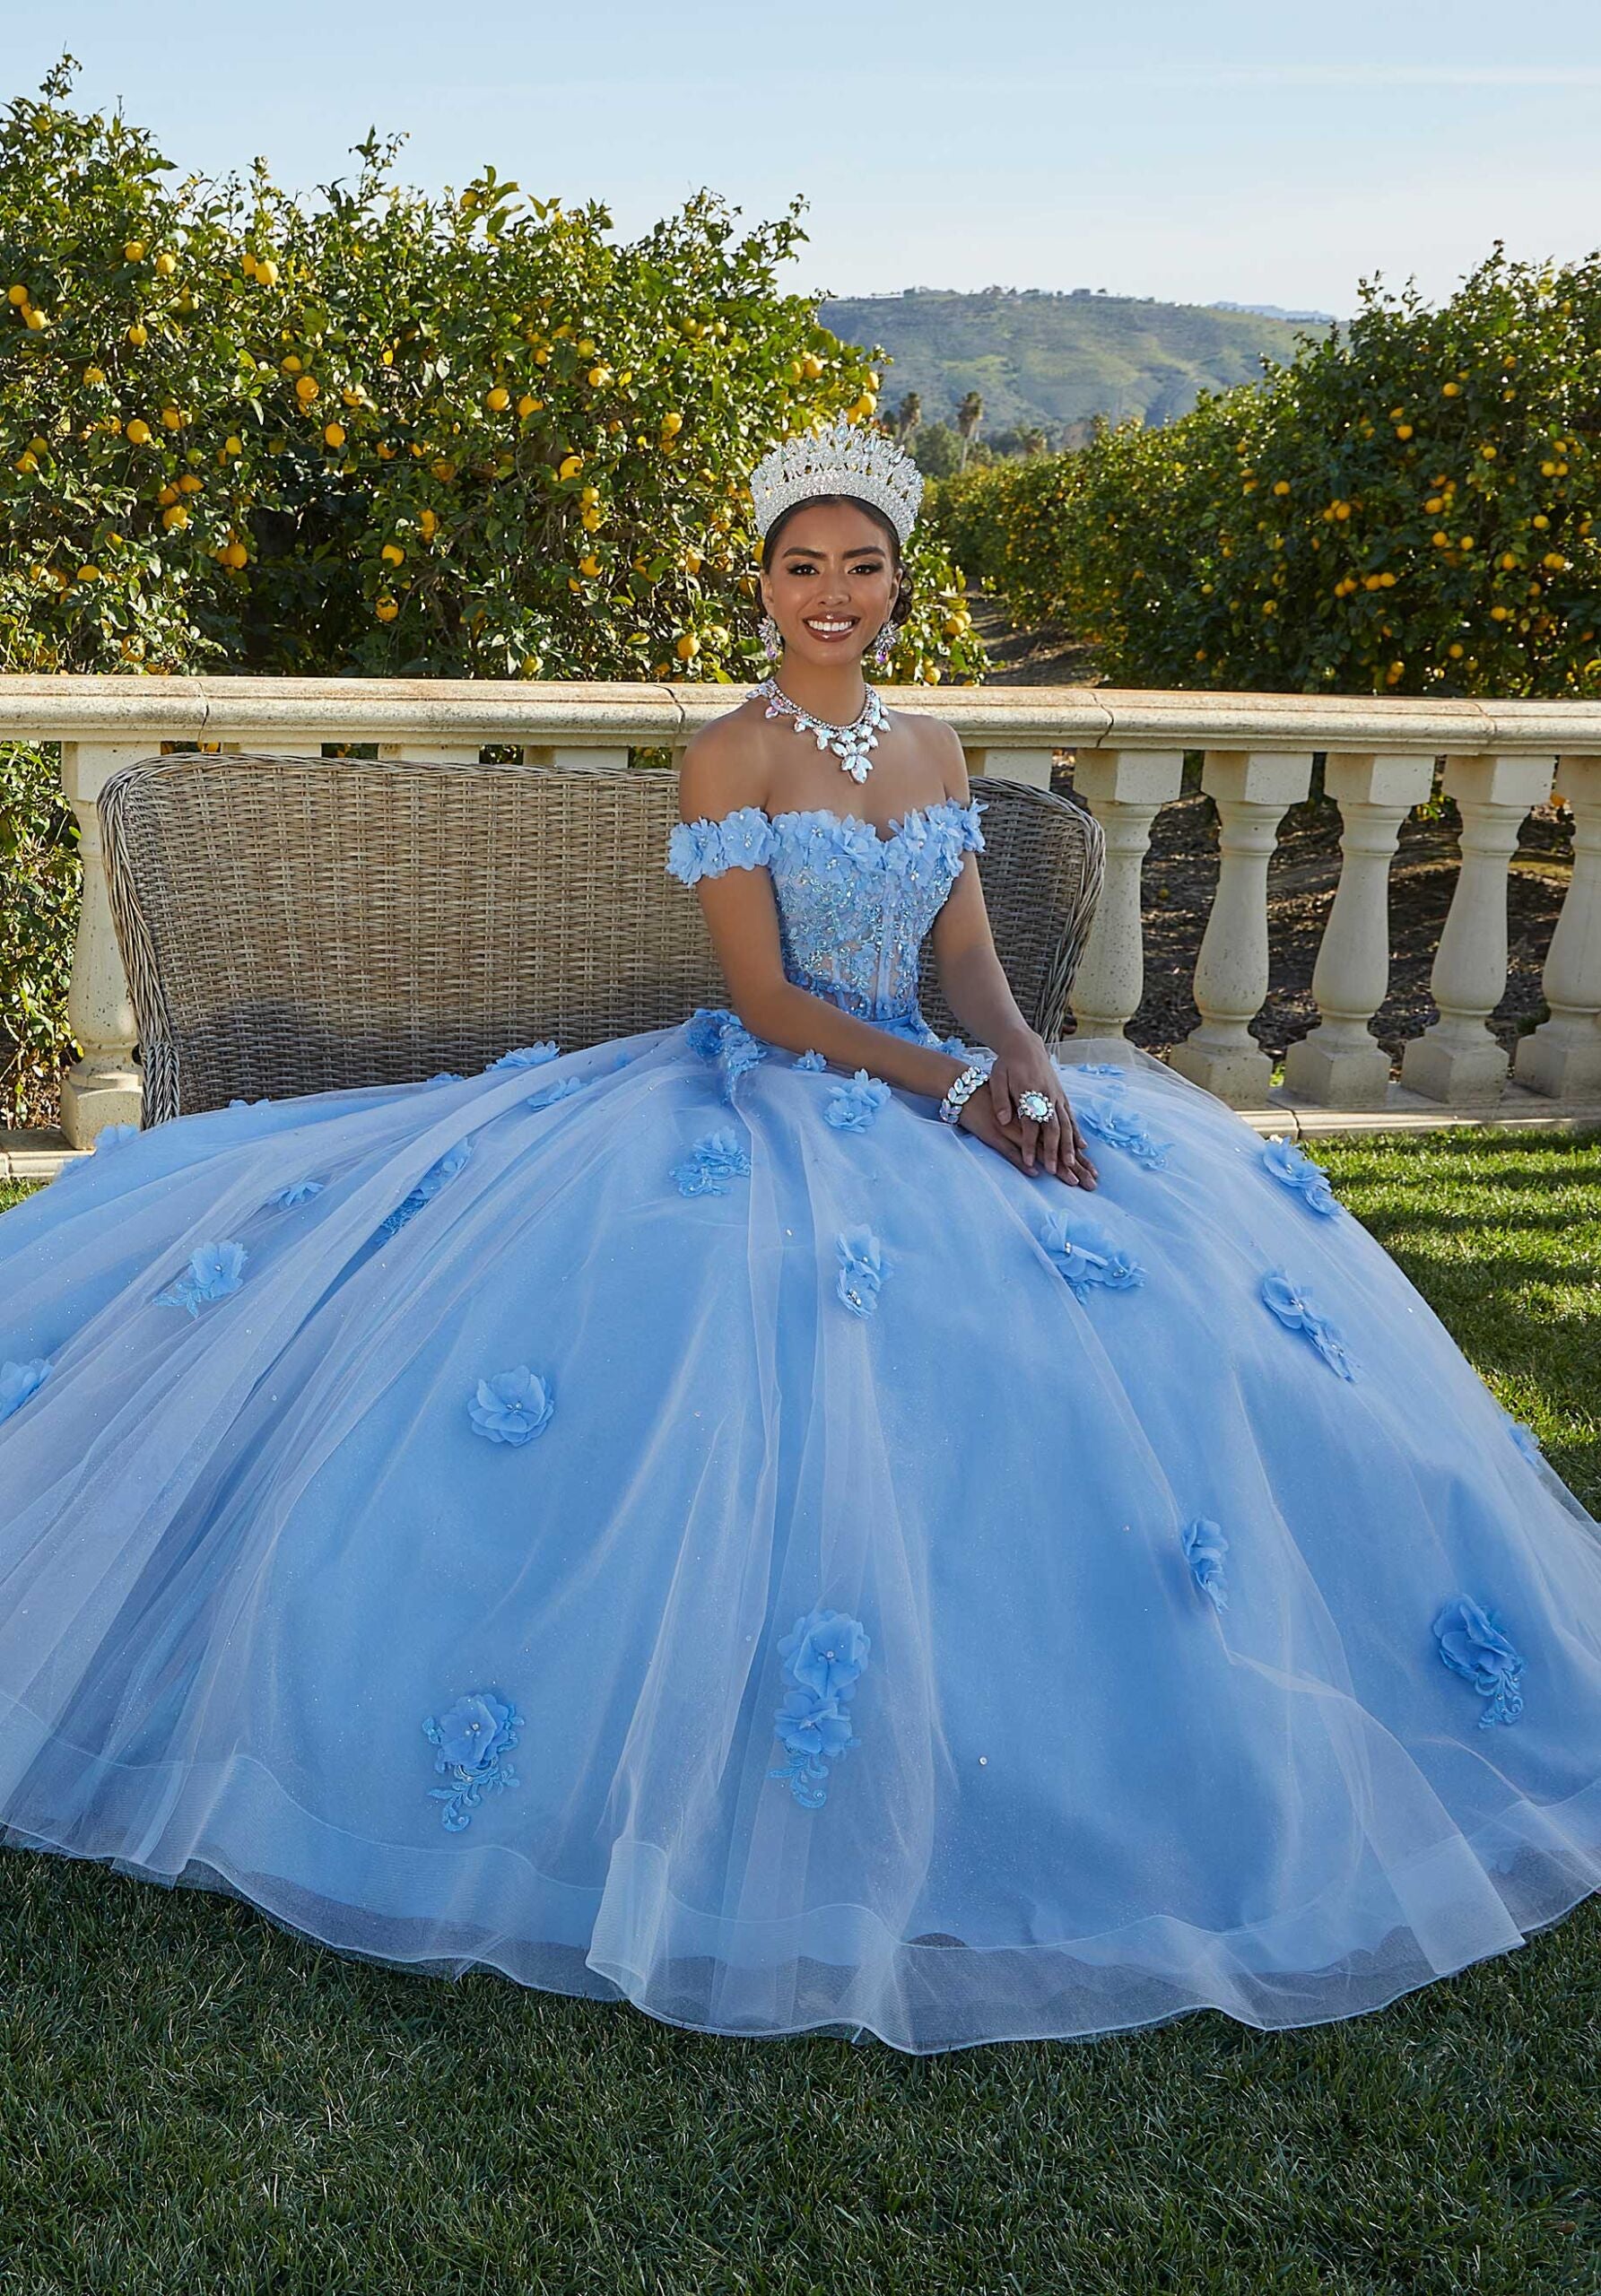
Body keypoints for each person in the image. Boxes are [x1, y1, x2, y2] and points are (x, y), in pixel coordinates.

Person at [0, 416, 1598, 2058]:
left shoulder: (934, 746)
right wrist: (952, 1083)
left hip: (948, 1075)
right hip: (775, 1090)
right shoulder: (732, 752)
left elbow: (968, 958)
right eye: (799, 568)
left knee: (1157, 1282)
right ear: (760, 586)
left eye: (860, 568)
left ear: (899, 584)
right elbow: (762, 998)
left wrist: (1029, 1068)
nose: (829, 595)